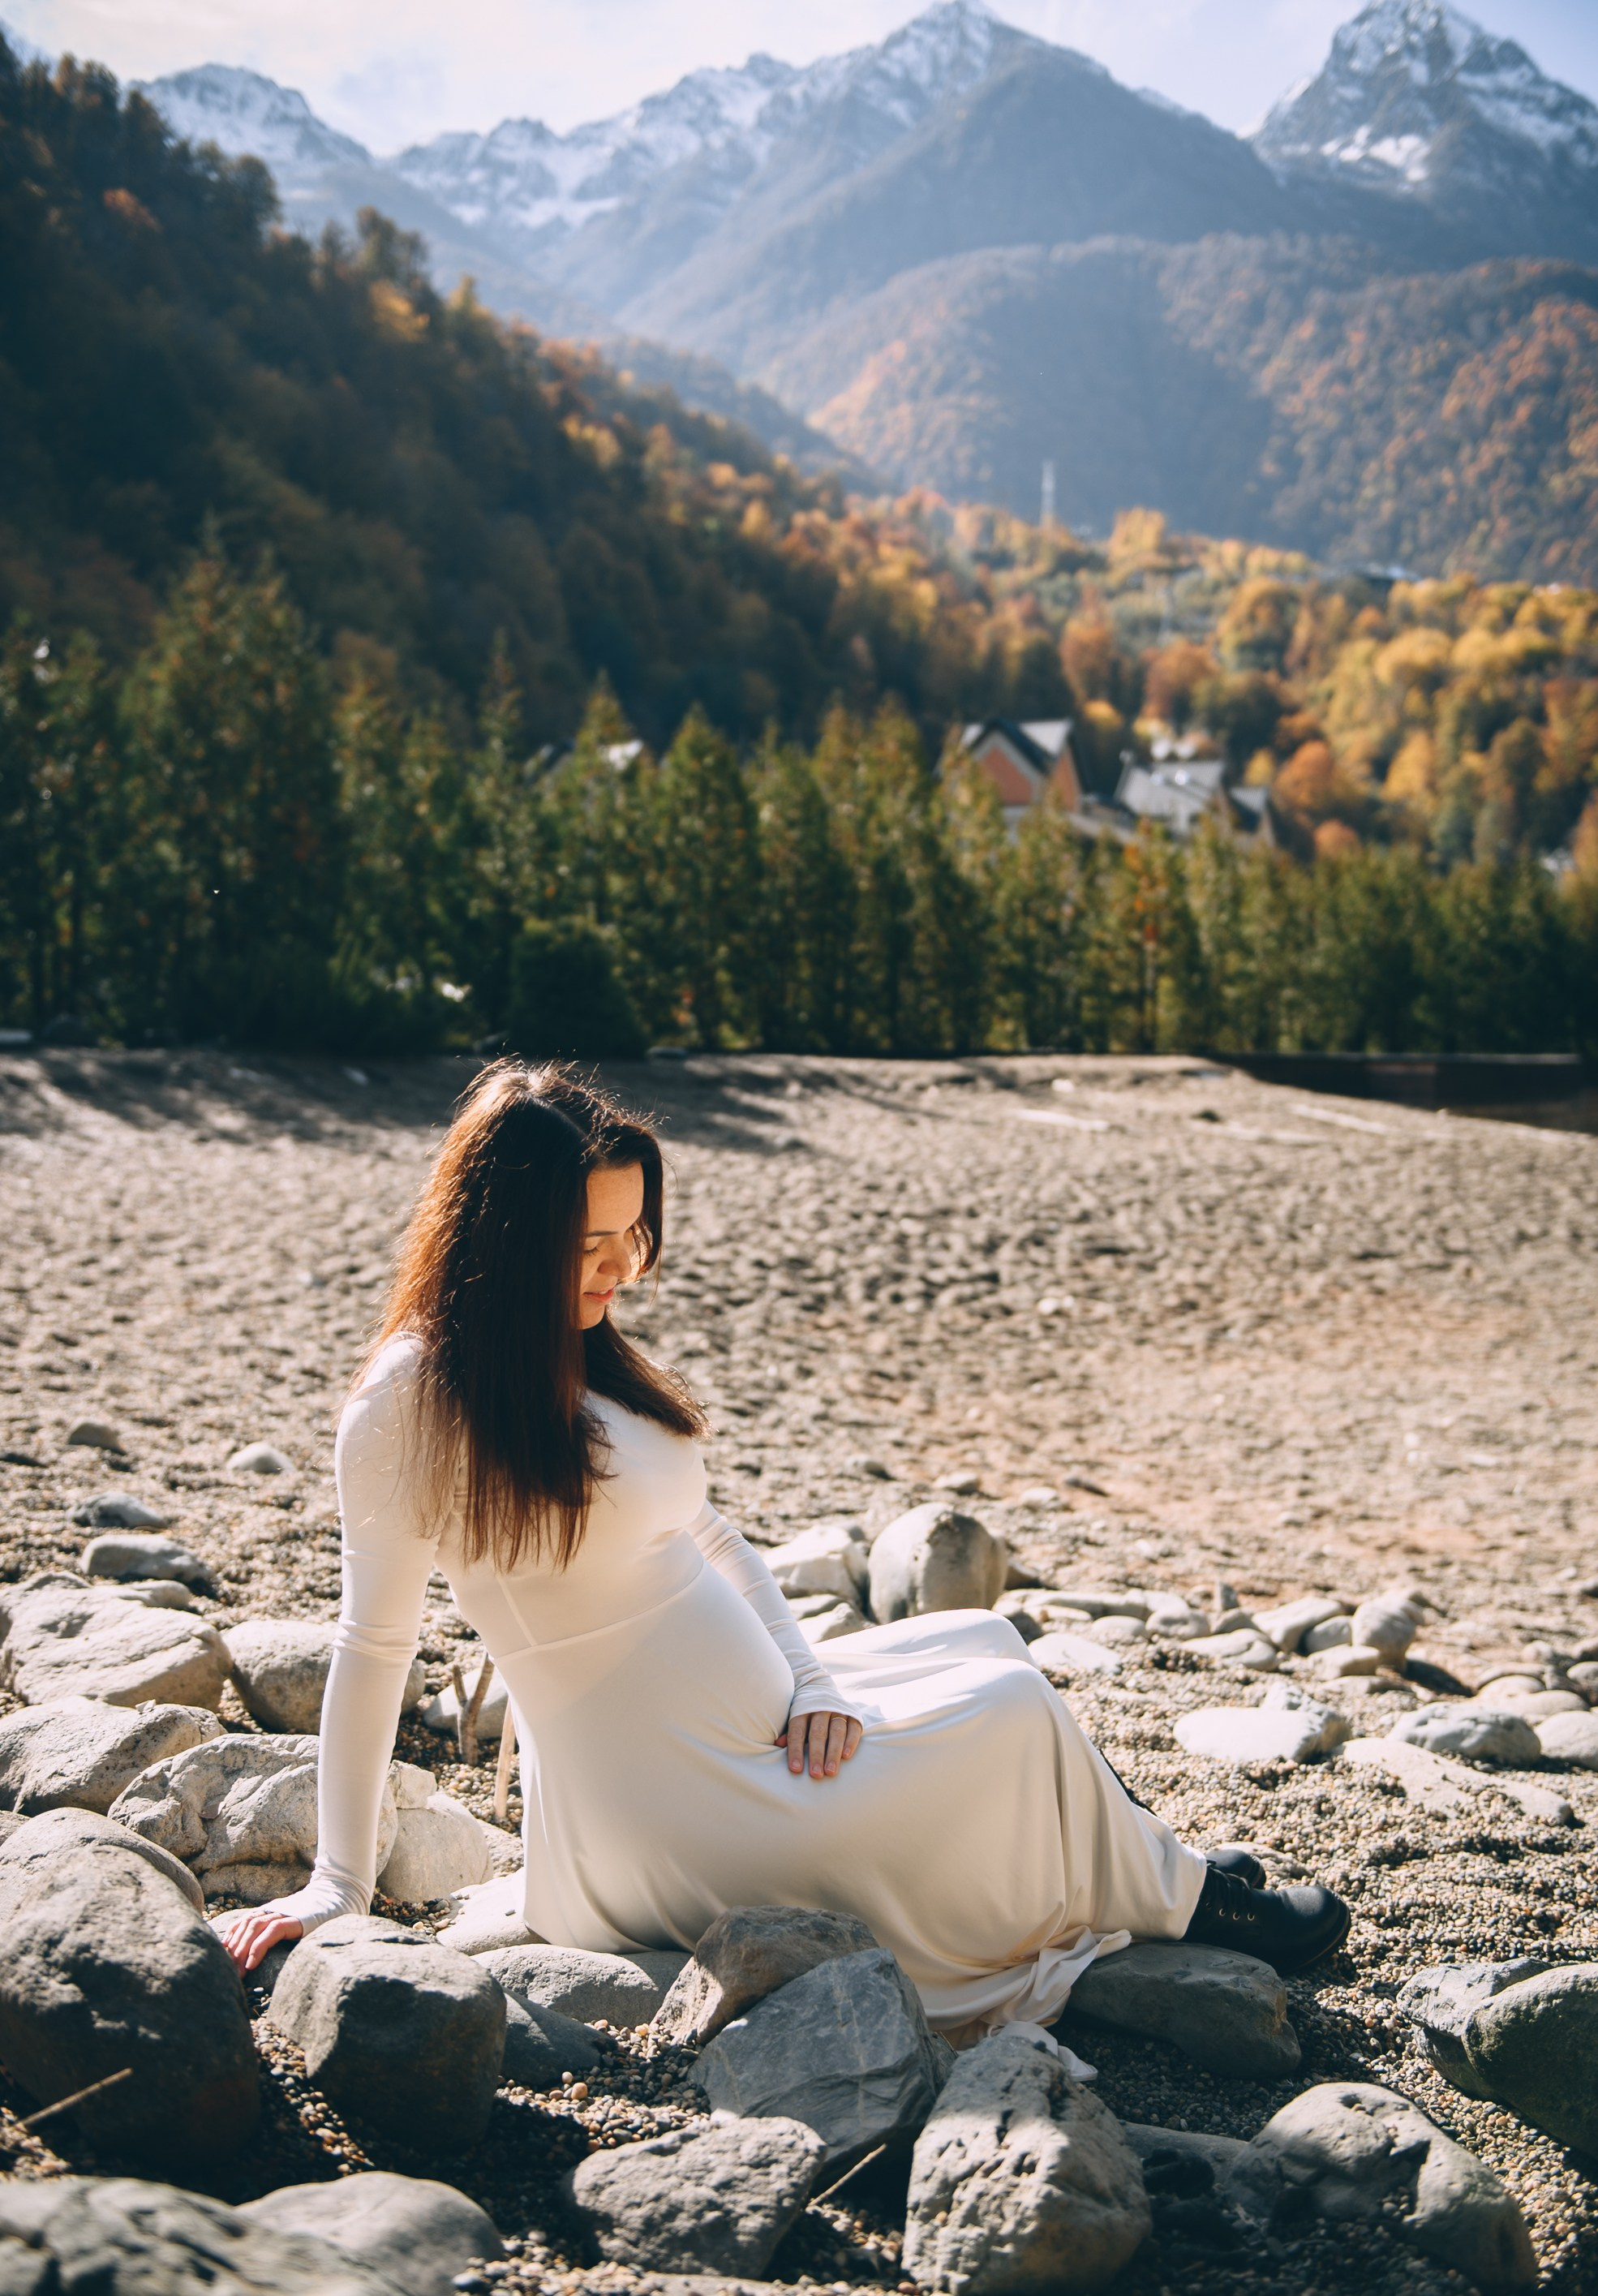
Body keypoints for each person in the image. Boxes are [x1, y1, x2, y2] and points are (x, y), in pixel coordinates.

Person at [216, 1062, 1348, 2036]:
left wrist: (808, 1674)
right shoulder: (413, 1404)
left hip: (751, 1735)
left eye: (634, 1237)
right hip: (667, 1806)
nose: (620, 1271)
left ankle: (1141, 1861)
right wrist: (337, 1883)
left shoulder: (565, 1343)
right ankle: (1194, 1900)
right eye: (589, 1245)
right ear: (505, 1243)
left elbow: (706, 1531)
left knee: (984, 1631)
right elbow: (373, 1646)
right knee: (1015, 1715)